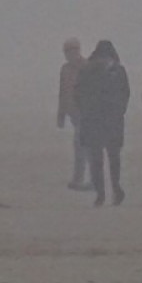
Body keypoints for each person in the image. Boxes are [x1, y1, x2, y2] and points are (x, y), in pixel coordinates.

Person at [73, 40, 131, 207]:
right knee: (113, 158)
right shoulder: (118, 71)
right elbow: (126, 94)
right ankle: (115, 190)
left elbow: (78, 94)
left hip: (93, 121)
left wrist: (85, 112)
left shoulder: (86, 70)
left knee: (97, 159)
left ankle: (101, 194)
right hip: (111, 121)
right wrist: (119, 111)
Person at [58, 38, 90, 191]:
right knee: (84, 147)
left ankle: (80, 180)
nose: (69, 54)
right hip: (74, 115)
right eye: (67, 52)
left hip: (87, 114)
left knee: (80, 146)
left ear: (78, 51)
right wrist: (61, 115)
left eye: (72, 51)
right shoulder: (65, 69)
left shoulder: (87, 67)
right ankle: (88, 180)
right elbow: (62, 93)